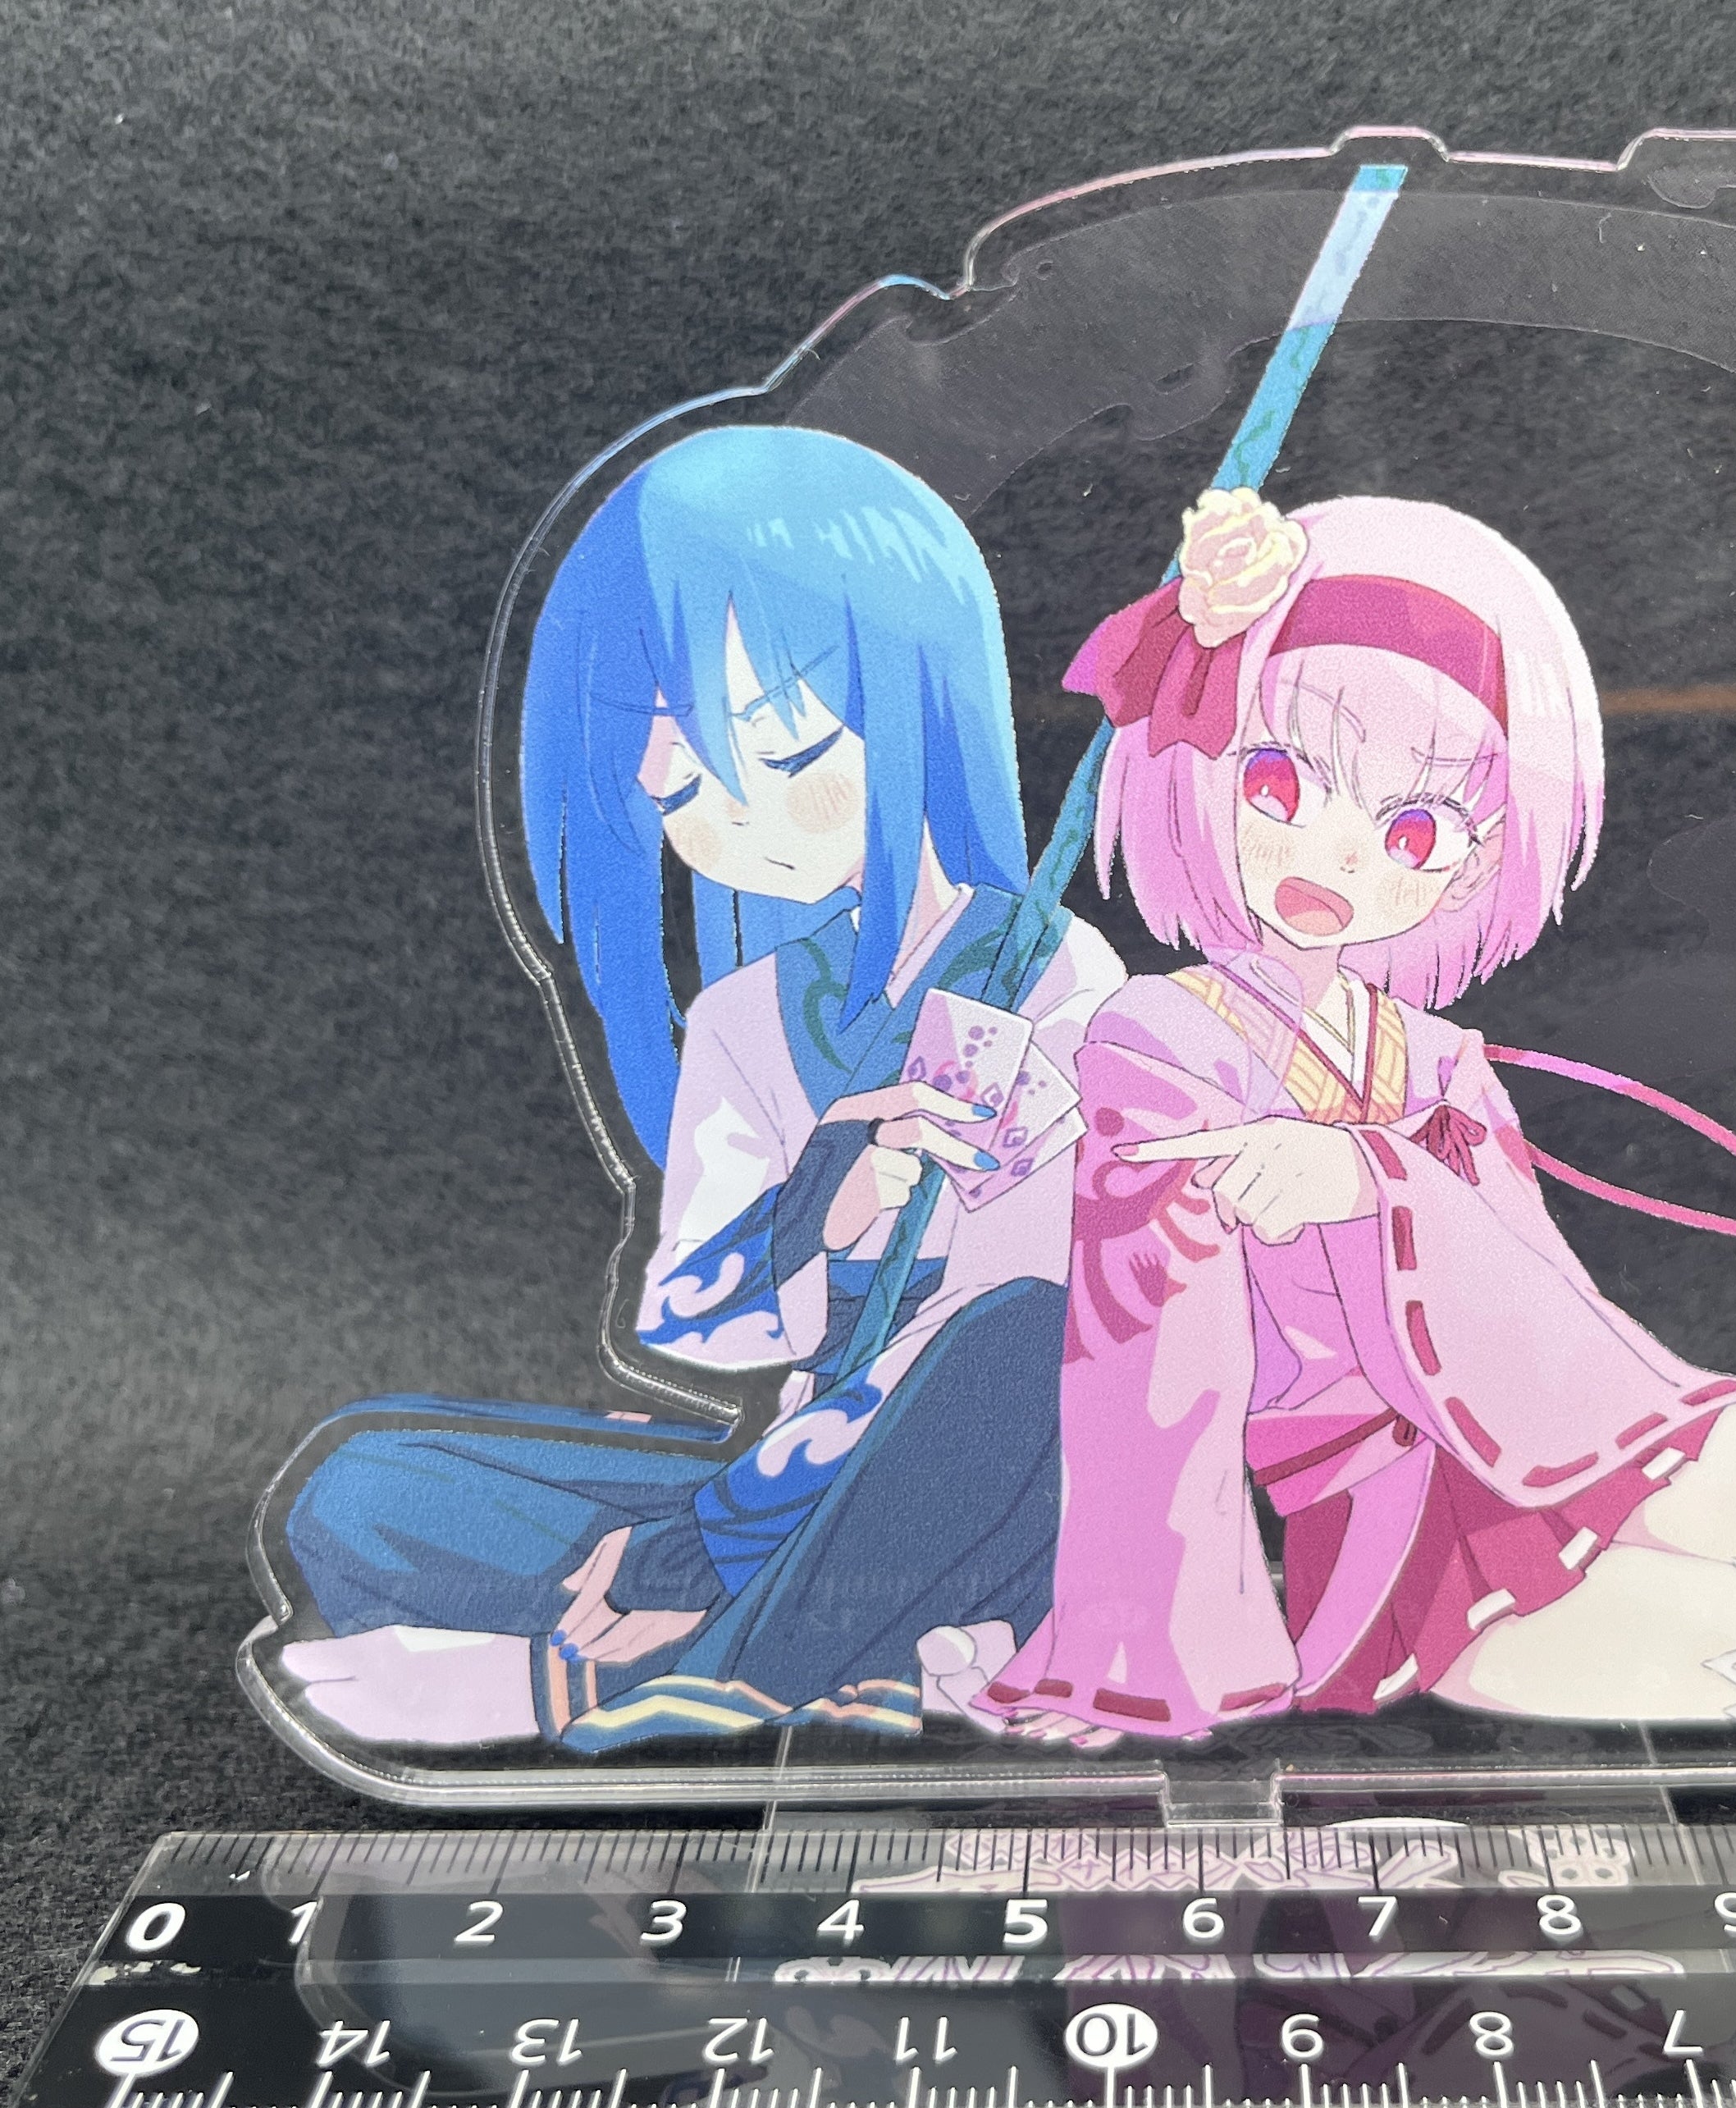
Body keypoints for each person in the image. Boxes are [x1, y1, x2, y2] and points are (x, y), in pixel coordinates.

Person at [974, 488, 1736, 1748]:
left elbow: (1554, 1325)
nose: (1338, 855)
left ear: (1475, 857)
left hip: (1569, 1435)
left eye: (1410, 828)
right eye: (1280, 781)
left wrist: (1367, 1182)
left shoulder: (1442, 1059)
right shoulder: (1157, 1040)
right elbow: (1146, 1360)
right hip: (1386, 1526)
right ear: (1199, 762)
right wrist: (1144, 1649)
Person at [261, 425, 1123, 1751]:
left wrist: (709, 1538)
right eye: (679, 784)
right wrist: (819, 1204)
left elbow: (1025, 1339)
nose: (735, 822)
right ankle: (813, 1644)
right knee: (362, 1495)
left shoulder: (1049, 973)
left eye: (782, 750)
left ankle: (596, 1682)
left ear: (920, 703)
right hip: (791, 1484)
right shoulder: (745, 1018)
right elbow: (698, 1319)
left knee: (1008, 1358)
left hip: (975, 1493)